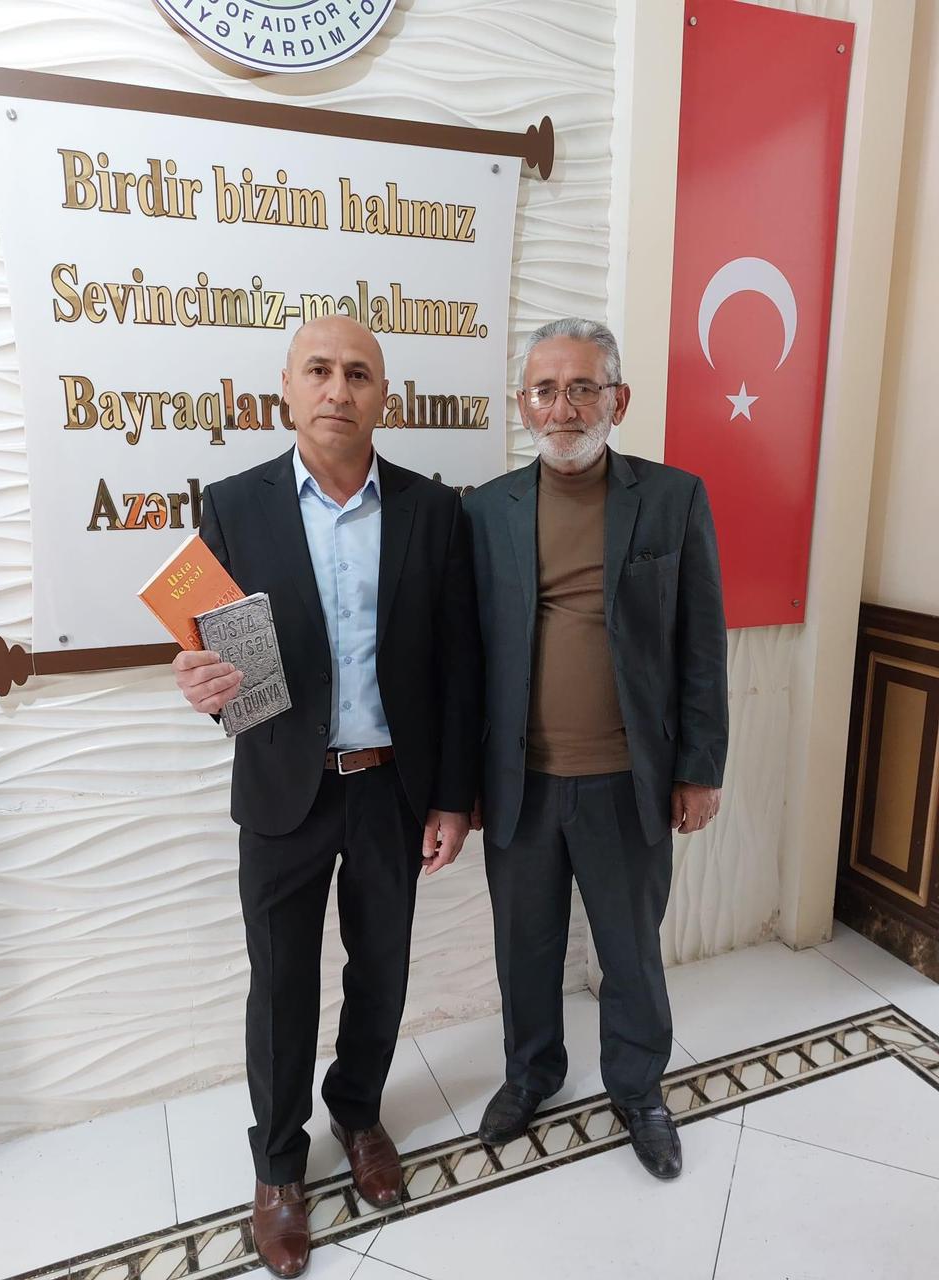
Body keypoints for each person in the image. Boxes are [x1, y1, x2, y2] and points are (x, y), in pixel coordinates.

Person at [172, 316, 480, 1276]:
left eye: (358, 373)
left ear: (383, 395)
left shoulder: (433, 509)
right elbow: (217, 658)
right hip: (281, 789)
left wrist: (454, 797)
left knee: (381, 971)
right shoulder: (234, 506)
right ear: (288, 387)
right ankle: (277, 1167)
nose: (337, 388)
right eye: (319, 370)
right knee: (281, 986)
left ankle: (358, 1114)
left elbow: (459, 664)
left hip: (393, 788)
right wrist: (199, 682)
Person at [464, 317, 728, 1180]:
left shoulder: (674, 498)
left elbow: (701, 644)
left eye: (583, 387)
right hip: (520, 783)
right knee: (524, 950)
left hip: (629, 781)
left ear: (619, 399)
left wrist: (700, 769)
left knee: (631, 952)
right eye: (546, 390)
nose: (564, 407)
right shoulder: (485, 511)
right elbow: (467, 657)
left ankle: (640, 1090)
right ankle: (531, 1074)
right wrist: (462, 783)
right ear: (523, 405)